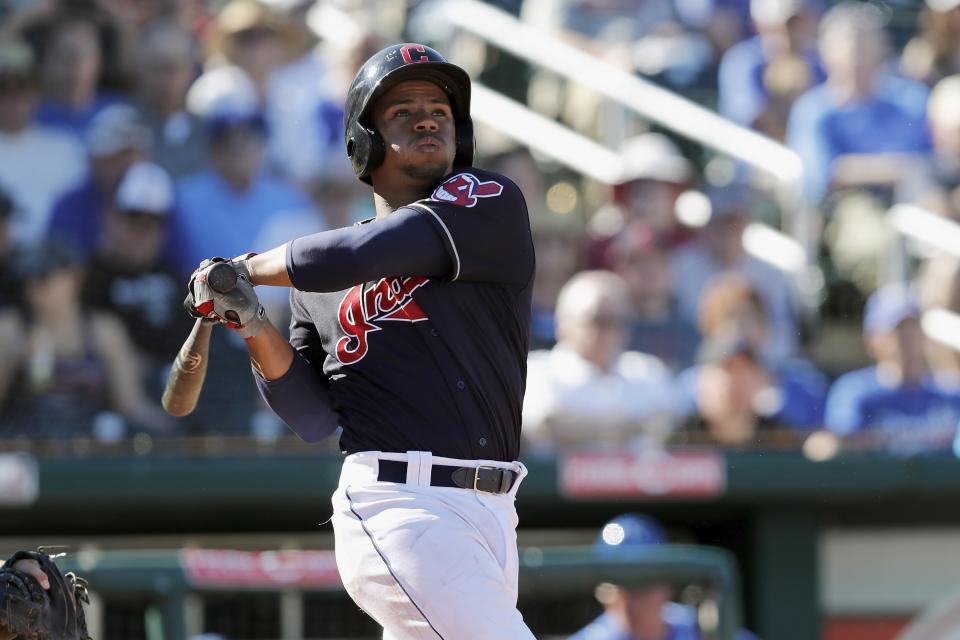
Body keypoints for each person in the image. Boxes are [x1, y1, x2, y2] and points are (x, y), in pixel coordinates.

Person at [184, 43, 536, 638]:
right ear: (362, 144)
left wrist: (244, 267)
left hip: (494, 512)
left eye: (440, 110)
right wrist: (250, 323)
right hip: (401, 508)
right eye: (403, 111)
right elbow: (314, 416)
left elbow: (363, 252)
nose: (428, 118)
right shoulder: (312, 282)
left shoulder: (486, 203)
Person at [523, 270, 678, 452]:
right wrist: (632, 427)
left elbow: (671, 426)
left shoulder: (647, 370)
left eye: (619, 320)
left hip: (639, 480)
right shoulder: (538, 370)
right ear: (562, 323)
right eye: (598, 320)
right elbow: (546, 427)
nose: (610, 330)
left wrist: (583, 427)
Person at [570, 513, 758, 640]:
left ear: (666, 586)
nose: (632, 601)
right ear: (603, 593)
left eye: (643, 583)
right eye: (622, 586)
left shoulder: (700, 630)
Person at [824, 284, 960, 455]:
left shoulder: (951, 395)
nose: (907, 338)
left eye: (913, 328)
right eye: (897, 329)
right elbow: (837, 451)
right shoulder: (854, 393)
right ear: (872, 340)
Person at [0, 36, 86, 248]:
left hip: (55, 265)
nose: (13, 96)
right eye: (3, 87)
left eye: (22, 86)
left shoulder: (65, 148)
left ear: (36, 92)